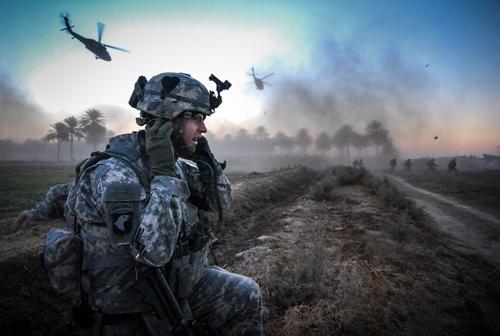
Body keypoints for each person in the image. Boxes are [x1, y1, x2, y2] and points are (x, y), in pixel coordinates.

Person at [63, 72, 263, 335]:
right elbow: (153, 253)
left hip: (175, 289)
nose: (203, 129)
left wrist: (208, 161)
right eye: (197, 118)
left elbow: (221, 203)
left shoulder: (173, 164)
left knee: (246, 293)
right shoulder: (115, 174)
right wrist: (165, 177)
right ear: (169, 120)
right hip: (131, 311)